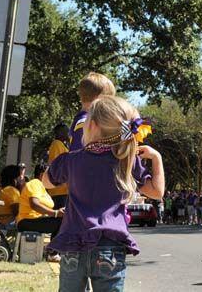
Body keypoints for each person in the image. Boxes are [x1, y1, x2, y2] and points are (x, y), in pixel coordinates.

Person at [42, 95, 164, 292]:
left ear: (93, 127)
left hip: (74, 243)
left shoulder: (71, 160)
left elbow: (46, 182)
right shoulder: (126, 161)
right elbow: (157, 192)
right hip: (110, 246)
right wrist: (156, 158)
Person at [17, 163, 64, 249]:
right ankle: (53, 252)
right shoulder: (35, 183)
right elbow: (34, 204)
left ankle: (54, 250)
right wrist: (55, 213)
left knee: (64, 220)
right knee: (63, 222)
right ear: (43, 175)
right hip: (27, 221)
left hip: (35, 220)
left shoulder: (42, 187)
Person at [68, 72, 116, 151]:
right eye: (109, 100)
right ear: (99, 98)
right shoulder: (85, 123)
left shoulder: (83, 120)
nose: (111, 105)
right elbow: (78, 156)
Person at [47, 123, 70, 209]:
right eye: (67, 131)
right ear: (60, 133)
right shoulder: (56, 144)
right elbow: (57, 166)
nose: (69, 133)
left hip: (62, 191)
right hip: (59, 192)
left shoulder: (62, 145)